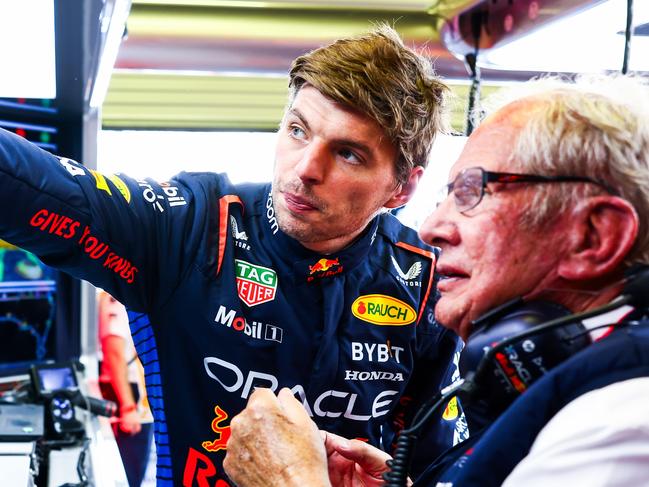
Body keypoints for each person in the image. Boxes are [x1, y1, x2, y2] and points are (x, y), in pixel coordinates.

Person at [0, 26, 463, 485]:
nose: (305, 170)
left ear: (401, 188)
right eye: (298, 130)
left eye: (348, 154)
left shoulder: (426, 284)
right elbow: (38, 188)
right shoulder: (194, 226)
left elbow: (443, 467)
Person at [222, 73, 649, 487]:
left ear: (595, 236)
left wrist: (290, 480)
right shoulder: (572, 382)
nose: (430, 229)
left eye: (471, 193)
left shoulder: (623, 420)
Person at [98, 291, 153, 487]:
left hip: (142, 405)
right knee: (129, 473)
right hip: (129, 404)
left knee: (137, 470)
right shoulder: (117, 297)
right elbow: (113, 352)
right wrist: (128, 408)